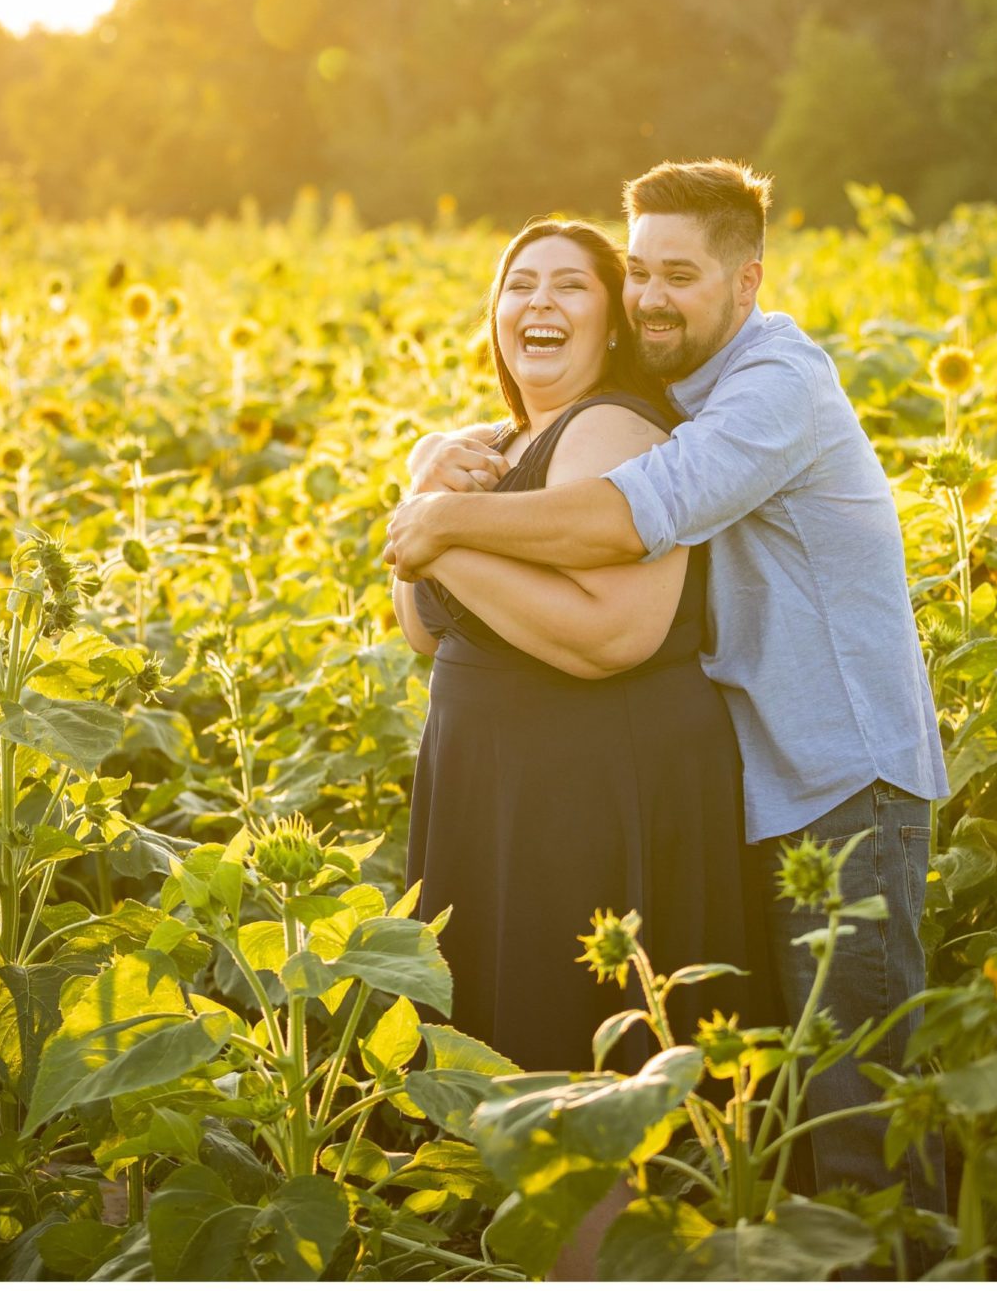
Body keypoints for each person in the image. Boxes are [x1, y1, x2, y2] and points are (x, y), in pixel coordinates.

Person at [385, 160, 951, 1229]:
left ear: (746, 284)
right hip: (753, 777)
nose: (646, 296)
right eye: (636, 268)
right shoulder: (679, 387)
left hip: (841, 781)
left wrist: (439, 527)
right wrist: (433, 477)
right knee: (772, 1096)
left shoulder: (775, 384)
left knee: (851, 1101)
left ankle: (907, 1266)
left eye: (676, 275)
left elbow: (631, 517)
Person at [391, 215, 765, 1076]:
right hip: (491, 785)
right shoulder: (492, 448)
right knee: (496, 1030)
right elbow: (421, 626)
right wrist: (424, 495)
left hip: (588, 788)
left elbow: (613, 636)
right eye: (519, 285)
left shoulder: (608, 429)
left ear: (612, 324)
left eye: (569, 285)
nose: (538, 302)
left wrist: (438, 533)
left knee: (579, 1046)